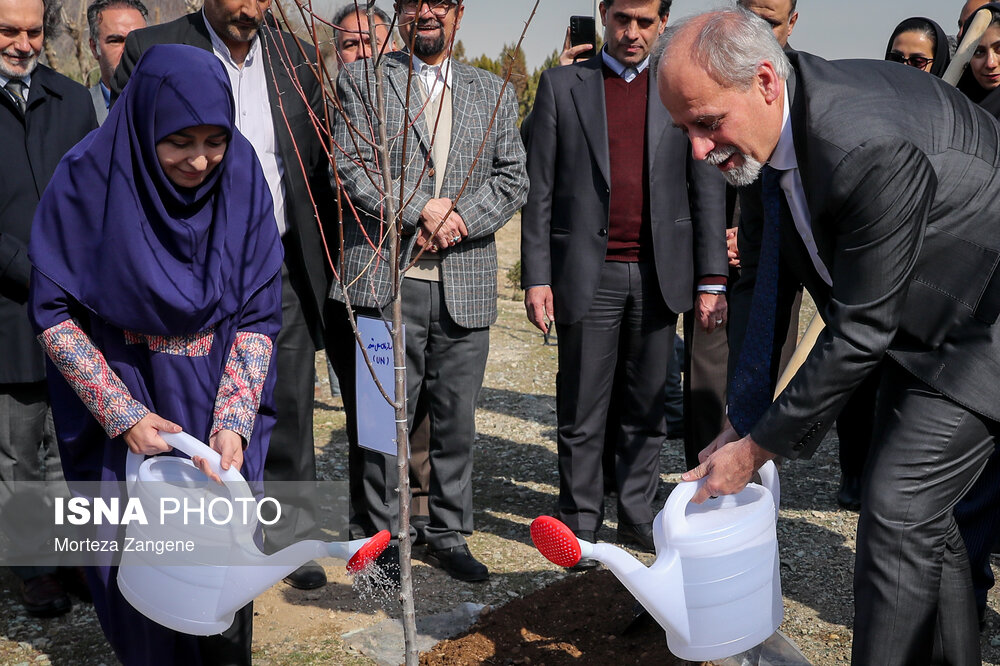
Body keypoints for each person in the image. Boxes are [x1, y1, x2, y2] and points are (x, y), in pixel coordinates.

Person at [659, 8, 1000, 664]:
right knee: (928, 524)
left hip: (981, 318)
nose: (698, 149)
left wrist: (758, 449)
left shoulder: (860, 143)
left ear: (763, 80)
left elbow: (860, 331)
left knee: (896, 508)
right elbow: (764, 291)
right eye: (685, 129)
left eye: (705, 124)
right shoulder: (764, 141)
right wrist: (743, 416)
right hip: (923, 320)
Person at [28, 43, 282, 665]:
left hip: (216, 400)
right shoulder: (89, 179)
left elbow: (257, 314)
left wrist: (233, 423)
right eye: (179, 142)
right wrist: (123, 414)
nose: (200, 161)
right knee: (137, 575)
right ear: (144, 126)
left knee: (213, 579)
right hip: (129, 409)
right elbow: (55, 315)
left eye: (214, 140)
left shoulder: (242, 178)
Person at [112, 0, 337, 590]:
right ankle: (191, 543)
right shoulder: (154, 49)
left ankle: (285, 537)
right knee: (186, 410)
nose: (250, 5)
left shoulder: (300, 59)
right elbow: (128, 153)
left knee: (286, 401)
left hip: (276, 262)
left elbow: (310, 165)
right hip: (180, 268)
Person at [521, 0, 727, 563]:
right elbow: (540, 190)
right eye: (621, 19)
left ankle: (638, 512)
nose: (631, 33)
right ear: (604, 15)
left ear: (663, 22)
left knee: (647, 407)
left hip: (661, 274)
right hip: (589, 274)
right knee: (582, 408)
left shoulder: (679, 86)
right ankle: (579, 523)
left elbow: (706, 187)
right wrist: (537, 275)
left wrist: (713, 278)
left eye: (644, 22)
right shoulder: (563, 86)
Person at [332, 0, 527, 582]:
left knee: (454, 422)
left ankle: (447, 531)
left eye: (439, 2)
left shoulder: (492, 91)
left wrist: (460, 217)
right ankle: (381, 540)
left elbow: (512, 176)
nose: (427, 12)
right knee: (380, 424)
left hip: (463, 283)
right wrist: (421, 211)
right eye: (415, 2)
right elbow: (353, 165)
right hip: (385, 278)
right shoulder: (364, 81)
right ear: (400, 11)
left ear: (458, 13)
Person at [0, 0, 97, 618]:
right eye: (9, 31)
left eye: (34, 31)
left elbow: (97, 194)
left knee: (72, 443)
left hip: (75, 308)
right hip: (7, 308)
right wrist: (34, 272)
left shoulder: (75, 100)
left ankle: (74, 559)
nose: (23, 42)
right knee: (18, 446)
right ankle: (33, 568)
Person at [681, 0, 801, 472]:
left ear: (792, 23)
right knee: (712, 382)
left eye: (769, 22)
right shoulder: (705, 83)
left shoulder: (806, 107)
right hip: (724, 261)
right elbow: (698, 180)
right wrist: (720, 253)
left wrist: (764, 241)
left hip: (779, 262)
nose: (755, 32)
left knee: (772, 379)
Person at [86, 0, 147, 124]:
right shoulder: (77, 111)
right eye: (116, 41)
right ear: (94, 48)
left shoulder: (171, 106)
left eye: (138, 40)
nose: (129, 49)